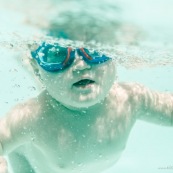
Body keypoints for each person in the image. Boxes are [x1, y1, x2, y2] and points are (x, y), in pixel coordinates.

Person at [0, 3, 173, 173]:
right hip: (32, 167)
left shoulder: (132, 98)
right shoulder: (33, 117)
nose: (81, 65)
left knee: (58, 88)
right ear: (38, 70)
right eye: (57, 54)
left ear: (115, 56)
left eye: (94, 50)